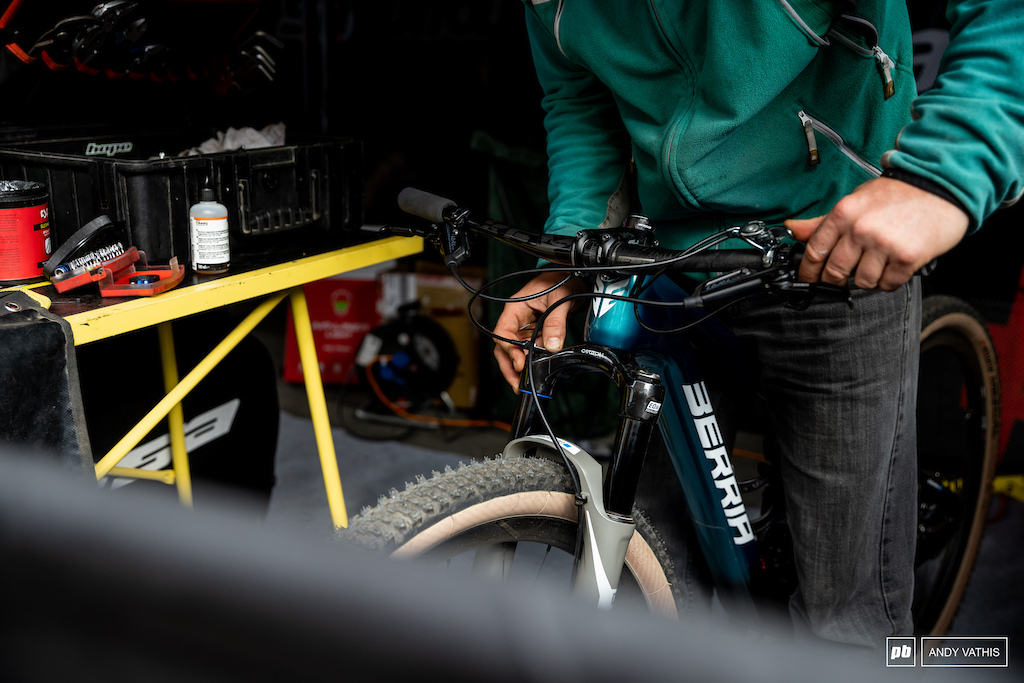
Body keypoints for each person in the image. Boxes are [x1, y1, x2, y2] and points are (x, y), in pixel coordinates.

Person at [492, 1, 1024, 649]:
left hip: (833, 243)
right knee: (658, 571)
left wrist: (942, 176)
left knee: (842, 621)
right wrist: (567, 256)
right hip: (676, 262)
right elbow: (577, 98)